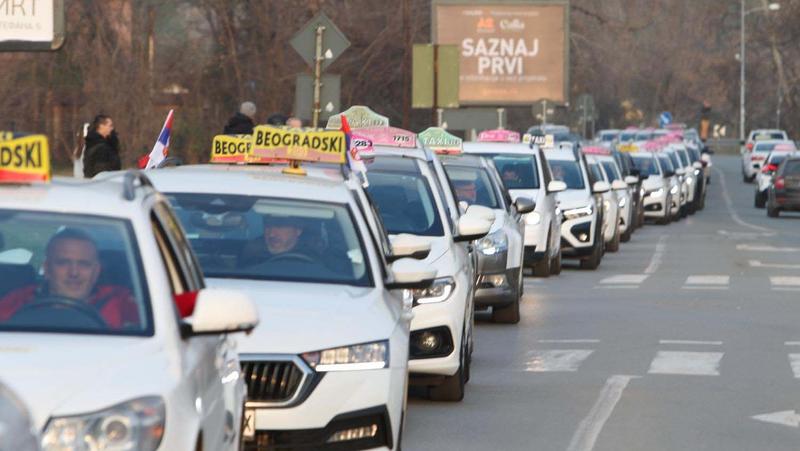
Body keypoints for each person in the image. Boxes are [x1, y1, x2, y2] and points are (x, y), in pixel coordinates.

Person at [0, 228, 139, 329]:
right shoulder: (19, 300)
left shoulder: (121, 301)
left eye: (84, 264)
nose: (74, 272)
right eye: (63, 263)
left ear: (96, 271)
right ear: (47, 269)